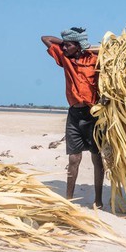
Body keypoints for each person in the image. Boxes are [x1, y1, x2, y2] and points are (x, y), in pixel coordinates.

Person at [41, 27, 104, 208]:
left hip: (93, 115)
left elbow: (109, 52)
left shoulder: (94, 60)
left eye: (69, 45)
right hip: (74, 115)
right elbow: (45, 38)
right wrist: (66, 43)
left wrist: (84, 47)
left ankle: (98, 201)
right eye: (65, 45)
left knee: (97, 158)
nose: (65, 48)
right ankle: (69, 199)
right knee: (74, 159)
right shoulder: (65, 59)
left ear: (78, 45)